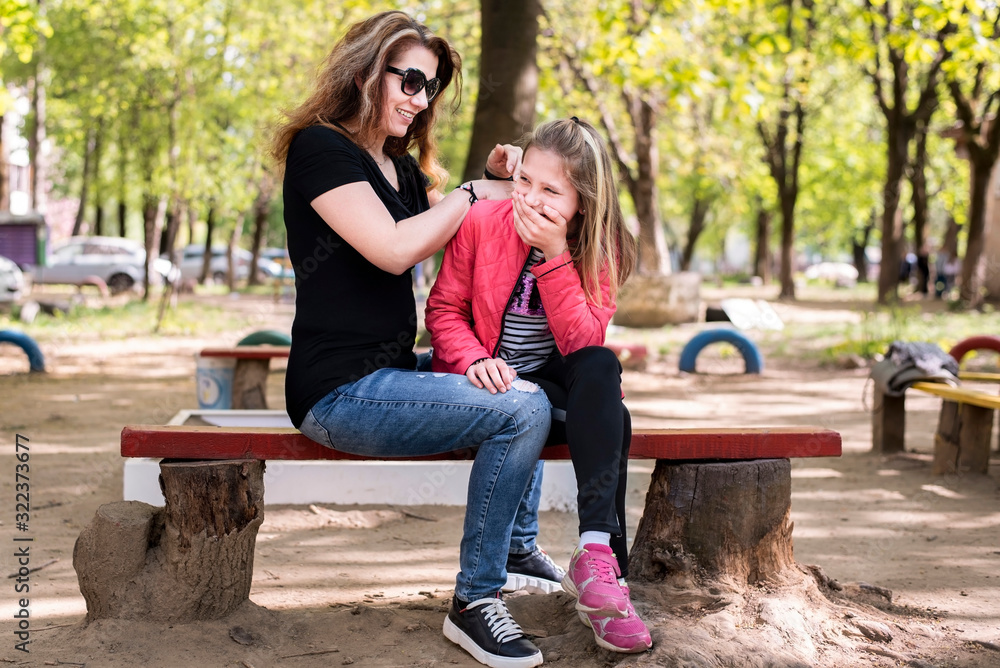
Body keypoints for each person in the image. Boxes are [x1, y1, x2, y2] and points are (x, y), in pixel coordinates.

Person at [271, 11, 554, 668]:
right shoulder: (320, 150)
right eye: (409, 81)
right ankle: (476, 600)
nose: (420, 100)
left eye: (430, 88)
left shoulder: (397, 165)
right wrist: (472, 190)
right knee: (521, 410)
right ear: (366, 73)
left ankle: (516, 547)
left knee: (518, 371)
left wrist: (498, 180)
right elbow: (395, 249)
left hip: (393, 371)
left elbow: (451, 232)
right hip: (339, 392)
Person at [426, 117, 652, 653]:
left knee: (601, 366)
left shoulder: (604, 246)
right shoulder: (483, 221)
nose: (529, 199)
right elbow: (443, 309)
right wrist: (473, 359)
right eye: (524, 180)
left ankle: (594, 555)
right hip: (486, 386)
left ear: (584, 203)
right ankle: (607, 571)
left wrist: (554, 257)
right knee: (617, 419)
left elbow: (582, 342)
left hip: (549, 386)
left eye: (551, 191)